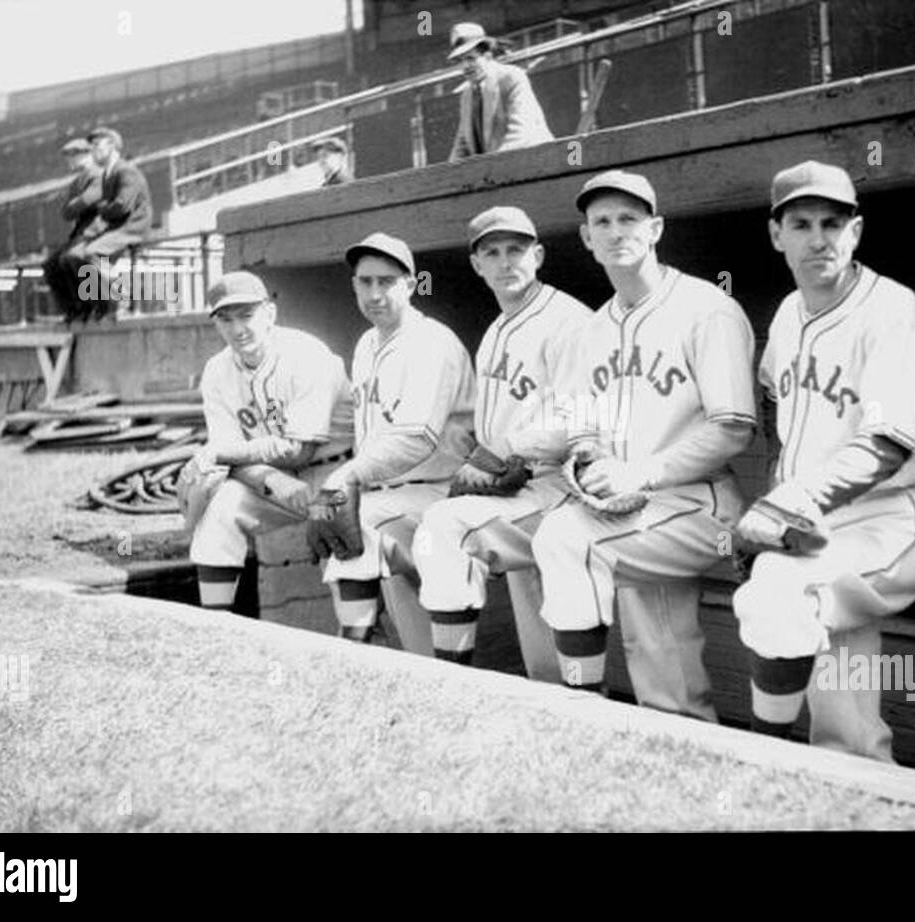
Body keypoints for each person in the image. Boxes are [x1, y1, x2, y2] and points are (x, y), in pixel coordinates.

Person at [732, 160, 915, 761]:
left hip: (889, 521)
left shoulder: (892, 312)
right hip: (816, 526)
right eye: (800, 223)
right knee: (846, 729)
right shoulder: (785, 314)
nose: (819, 237)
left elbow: (886, 443)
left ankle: (763, 762)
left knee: (780, 596)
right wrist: (777, 503)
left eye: (834, 222)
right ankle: (839, 781)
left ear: (856, 230)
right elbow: (777, 404)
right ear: (777, 235)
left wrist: (787, 504)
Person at [530, 170, 757, 719]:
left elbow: (733, 427)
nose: (615, 232)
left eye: (628, 218)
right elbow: (582, 421)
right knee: (661, 660)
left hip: (701, 503)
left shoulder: (707, 309)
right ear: (585, 238)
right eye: (601, 222)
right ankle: (682, 742)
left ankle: (581, 709)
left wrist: (641, 473)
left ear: (654, 229)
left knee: (565, 538)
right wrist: (586, 460)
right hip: (631, 511)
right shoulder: (591, 329)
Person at [410, 206, 592, 677]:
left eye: (516, 250)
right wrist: (474, 449)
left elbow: (582, 416)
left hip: (564, 485)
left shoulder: (569, 321)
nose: (505, 262)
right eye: (492, 252)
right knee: (538, 632)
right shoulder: (495, 330)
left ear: (539, 255)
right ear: (477, 264)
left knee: (442, 530)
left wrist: (501, 452)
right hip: (515, 487)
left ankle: (451, 683)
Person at [314, 232, 476, 652]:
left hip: (438, 492)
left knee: (359, 528)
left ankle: (351, 661)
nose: (375, 293)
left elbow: (415, 439)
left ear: (413, 284)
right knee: (420, 650)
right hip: (390, 497)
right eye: (365, 282)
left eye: (387, 281)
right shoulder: (367, 343)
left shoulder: (431, 343)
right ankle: (379, 659)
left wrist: (343, 478)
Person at [182, 271, 355, 613]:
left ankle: (361, 647)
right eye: (226, 319)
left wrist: (219, 453)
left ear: (270, 314)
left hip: (337, 471)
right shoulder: (217, 371)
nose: (237, 329)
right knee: (219, 509)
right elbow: (227, 459)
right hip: (269, 479)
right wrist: (269, 478)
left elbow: (299, 451)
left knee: (347, 564)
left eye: (246, 315)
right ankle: (215, 631)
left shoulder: (307, 354)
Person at [57, 126, 153, 322]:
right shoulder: (110, 173)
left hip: (133, 226)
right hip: (118, 226)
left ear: (112, 146)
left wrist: (101, 207)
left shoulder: (126, 171)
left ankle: (120, 298)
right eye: (91, 146)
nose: (93, 149)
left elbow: (122, 206)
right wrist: (105, 209)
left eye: (97, 144)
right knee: (76, 257)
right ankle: (99, 303)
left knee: (91, 253)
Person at [446, 22, 553, 163]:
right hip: (498, 173)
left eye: (470, 58)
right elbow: (463, 144)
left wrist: (489, 170)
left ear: (488, 56)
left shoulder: (512, 77)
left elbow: (520, 133)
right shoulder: (467, 95)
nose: (465, 66)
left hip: (537, 163)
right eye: (460, 61)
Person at [42, 138, 102, 321]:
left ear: (88, 155)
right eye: (69, 157)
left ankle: (97, 303)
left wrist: (79, 203)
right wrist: (79, 203)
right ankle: (74, 307)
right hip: (82, 232)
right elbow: (67, 212)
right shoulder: (76, 183)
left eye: (74, 156)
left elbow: (88, 201)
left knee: (73, 258)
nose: (71, 161)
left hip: (99, 230)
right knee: (51, 264)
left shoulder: (100, 176)